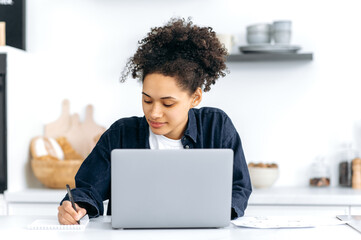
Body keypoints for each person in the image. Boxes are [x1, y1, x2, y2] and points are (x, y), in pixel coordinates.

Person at [58, 18, 252, 225]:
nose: (154, 113)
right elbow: (88, 189)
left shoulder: (217, 125)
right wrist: (74, 207)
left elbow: (239, 187)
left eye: (168, 104)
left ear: (195, 98)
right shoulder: (122, 133)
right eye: (147, 100)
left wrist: (218, 214)